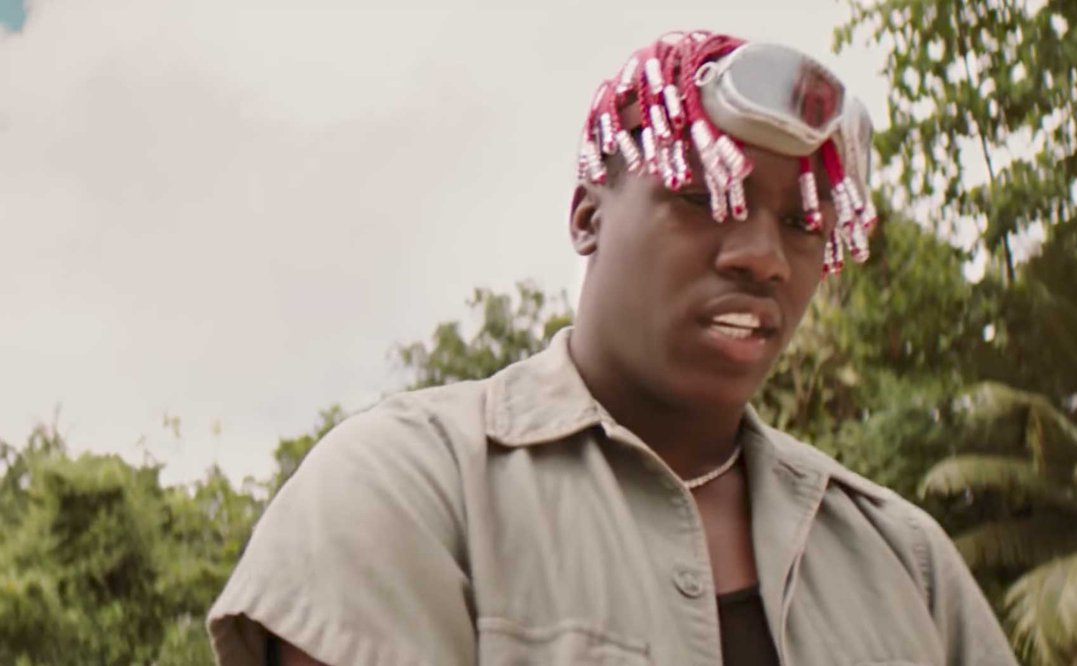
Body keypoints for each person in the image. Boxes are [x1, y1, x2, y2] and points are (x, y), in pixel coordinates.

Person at [207, 30, 1018, 666]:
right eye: (705, 197)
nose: (764, 257)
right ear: (587, 217)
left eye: (803, 223)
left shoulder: (906, 562)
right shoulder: (405, 488)